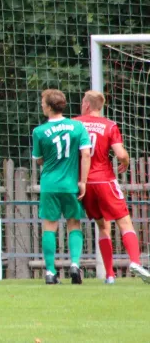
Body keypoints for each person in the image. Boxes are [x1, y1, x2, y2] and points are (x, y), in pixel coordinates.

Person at [74, 90, 150, 284]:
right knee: (124, 222)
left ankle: (109, 275)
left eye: (83, 102)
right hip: (105, 180)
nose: (82, 105)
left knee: (102, 226)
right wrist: (125, 160)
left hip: (84, 182)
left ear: (88, 105)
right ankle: (135, 262)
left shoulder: (75, 123)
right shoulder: (109, 125)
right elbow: (119, 153)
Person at [32, 89, 91, 285]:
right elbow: (86, 155)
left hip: (49, 184)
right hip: (70, 184)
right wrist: (83, 181)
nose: (41, 105)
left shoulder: (39, 131)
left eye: (43, 103)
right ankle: (74, 264)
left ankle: (50, 272)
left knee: (50, 225)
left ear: (49, 107)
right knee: (74, 223)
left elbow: (39, 159)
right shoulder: (77, 126)